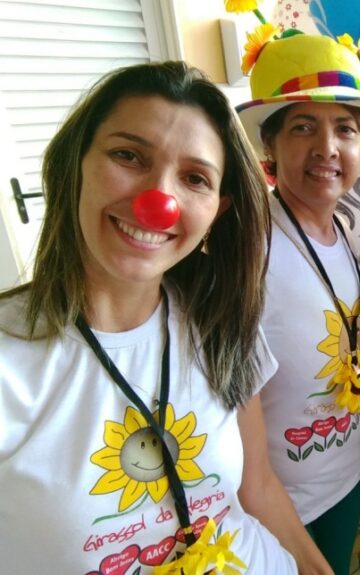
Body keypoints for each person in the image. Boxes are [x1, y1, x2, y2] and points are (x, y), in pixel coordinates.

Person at [0, 61, 332, 574]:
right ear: (75, 163)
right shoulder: (11, 360)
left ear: (217, 210)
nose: (158, 201)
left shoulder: (220, 321)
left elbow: (258, 487)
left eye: (195, 178)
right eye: (128, 155)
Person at [235, 31, 360, 574]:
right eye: (303, 126)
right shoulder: (246, 250)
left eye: (345, 129)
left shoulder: (346, 236)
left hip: (346, 481)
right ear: (270, 144)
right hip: (280, 510)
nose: (328, 147)